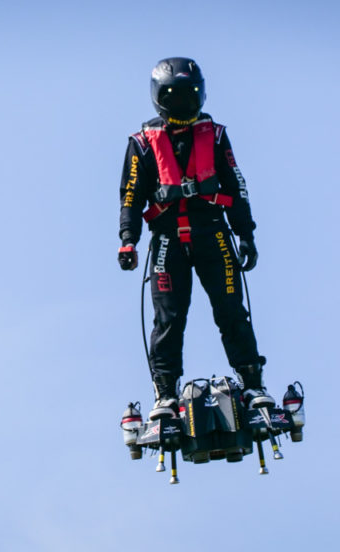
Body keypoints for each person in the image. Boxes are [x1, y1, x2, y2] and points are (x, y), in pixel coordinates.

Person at [118, 57, 274, 420]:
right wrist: (128, 240)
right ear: (160, 98)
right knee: (168, 319)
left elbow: (236, 185)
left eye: (189, 97)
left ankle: (253, 384)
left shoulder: (216, 135)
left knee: (232, 311)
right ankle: (165, 396)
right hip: (167, 241)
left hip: (214, 234)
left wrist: (246, 234)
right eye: (174, 98)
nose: (183, 105)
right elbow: (130, 195)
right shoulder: (142, 143)